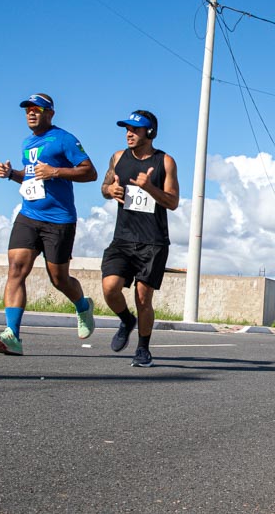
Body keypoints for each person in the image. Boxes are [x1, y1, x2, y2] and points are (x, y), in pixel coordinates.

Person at [0, 93, 98, 355]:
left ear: (50, 113)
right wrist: (11, 174)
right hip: (29, 215)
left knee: (59, 279)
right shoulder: (27, 143)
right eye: (27, 109)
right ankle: (12, 335)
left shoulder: (64, 139)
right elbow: (32, 178)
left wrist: (55, 171)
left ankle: (83, 305)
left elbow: (90, 172)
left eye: (36, 109)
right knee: (16, 269)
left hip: (59, 220)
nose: (30, 113)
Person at [100, 111, 180, 367]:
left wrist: (149, 188)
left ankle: (143, 349)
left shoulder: (165, 162)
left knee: (143, 299)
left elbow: (173, 202)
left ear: (150, 132)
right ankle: (126, 320)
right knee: (109, 288)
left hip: (153, 242)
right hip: (122, 239)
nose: (129, 134)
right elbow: (104, 187)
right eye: (127, 129)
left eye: (135, 129)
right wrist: (110, 190)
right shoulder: (118, 157)